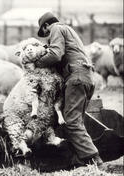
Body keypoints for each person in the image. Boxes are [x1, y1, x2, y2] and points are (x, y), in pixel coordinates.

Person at [32, 12, 103, 166]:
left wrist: (36, 63)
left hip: (76, 78)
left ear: (46, 26)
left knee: (71, 121)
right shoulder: (70, 31)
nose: (46, 36)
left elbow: (56, 55)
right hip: (86, 77)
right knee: (77, 120)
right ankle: (80, 159)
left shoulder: (56, 29)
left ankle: (93, 158)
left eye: (44, 33)